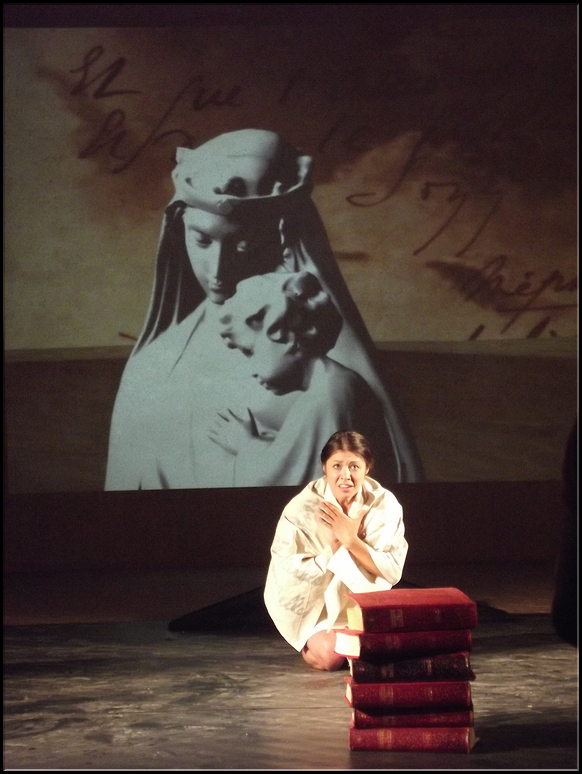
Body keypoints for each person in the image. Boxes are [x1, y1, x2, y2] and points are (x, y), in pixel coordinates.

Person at [105, 129, 424, 490]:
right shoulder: (157, 362)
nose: (217, 268)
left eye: (242, 245)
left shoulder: (329, 371)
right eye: (202, 240)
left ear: (281, 235)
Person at [210, 270, 399, 485]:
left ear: (287, 336)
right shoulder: (334, 384)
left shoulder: (326, 396)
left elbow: (286, 478)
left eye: (250, 352)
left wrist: (246, 444)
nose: (250, 370)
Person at [264, 430, 408, 671]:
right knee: (331, 658)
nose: (345, 476)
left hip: (364, 600)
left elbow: (391, 571)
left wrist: (351, 541)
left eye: (354, 466)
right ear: (324, 468)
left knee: (398, 646)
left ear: (367, 468)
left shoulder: (384, 504)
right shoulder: (301, 508)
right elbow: (288, 569)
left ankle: (354, 638)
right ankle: (313, 644)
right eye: (337, 466)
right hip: (316, 605)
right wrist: (332, 552)